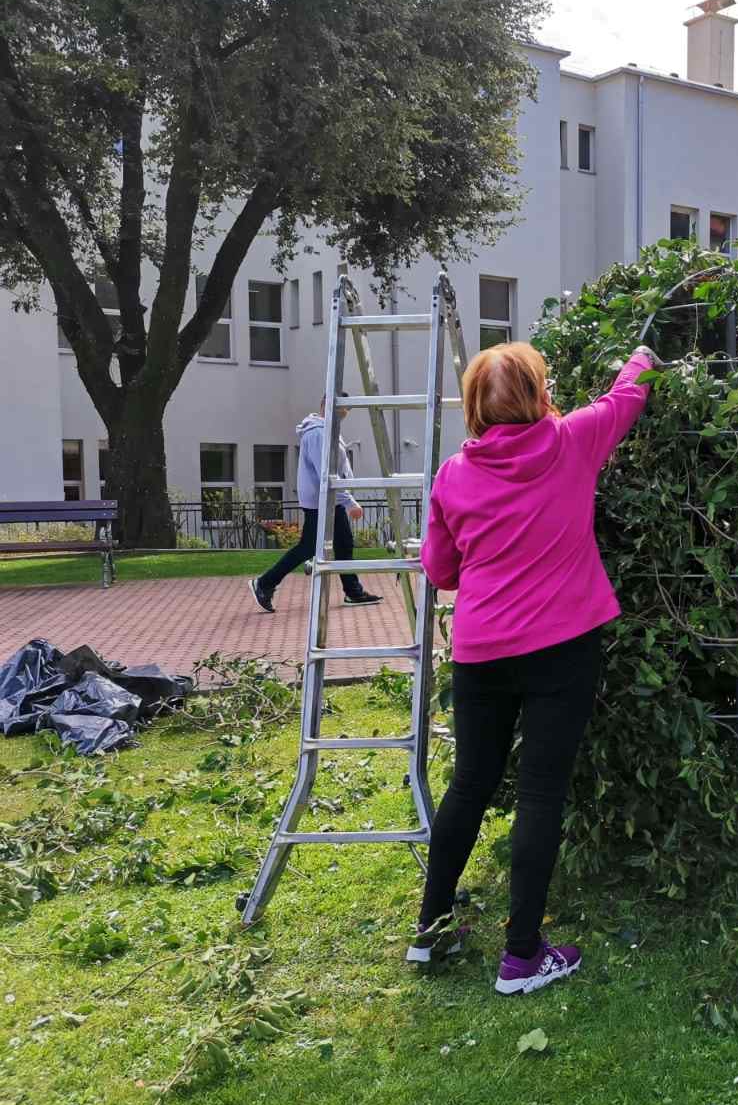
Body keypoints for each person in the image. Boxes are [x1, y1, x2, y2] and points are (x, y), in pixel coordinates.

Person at [409, 341, 656, 995]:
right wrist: (641, 359)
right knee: (541, 794)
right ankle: (521, 958)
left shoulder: (451, 475)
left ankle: (430, 932)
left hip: (481, 651)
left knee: (469, 786)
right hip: (561, 647)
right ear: (540, 393)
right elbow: (624, 400)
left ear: (474, 407)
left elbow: (440, 571)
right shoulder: (572, 441)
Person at [249, 400, 382, 612]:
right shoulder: (319, 434)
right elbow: (326, 474)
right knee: (309, 546)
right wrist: (350, 502)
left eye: (347, 410)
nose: (345, 413)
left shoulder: (326, 431)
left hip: (328, 499)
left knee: (343, 543)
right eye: (342, 408)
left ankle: (353, 591)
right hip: (322, 500)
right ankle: (265, 583)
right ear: (327, 404)